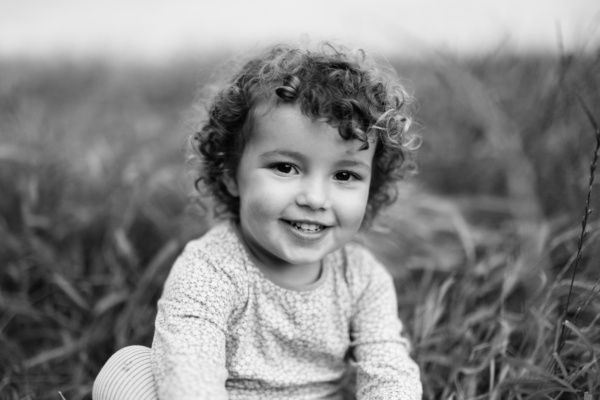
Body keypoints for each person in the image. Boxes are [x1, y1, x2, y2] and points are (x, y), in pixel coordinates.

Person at [93, 41, 422, 400]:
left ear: (372, 187)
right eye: (285, 167)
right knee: (129, 371)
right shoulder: (211, 270)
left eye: (344, 176)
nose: (314, 198)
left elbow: (389, 370)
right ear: (232, 174)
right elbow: (189, 372)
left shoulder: (362, 278)